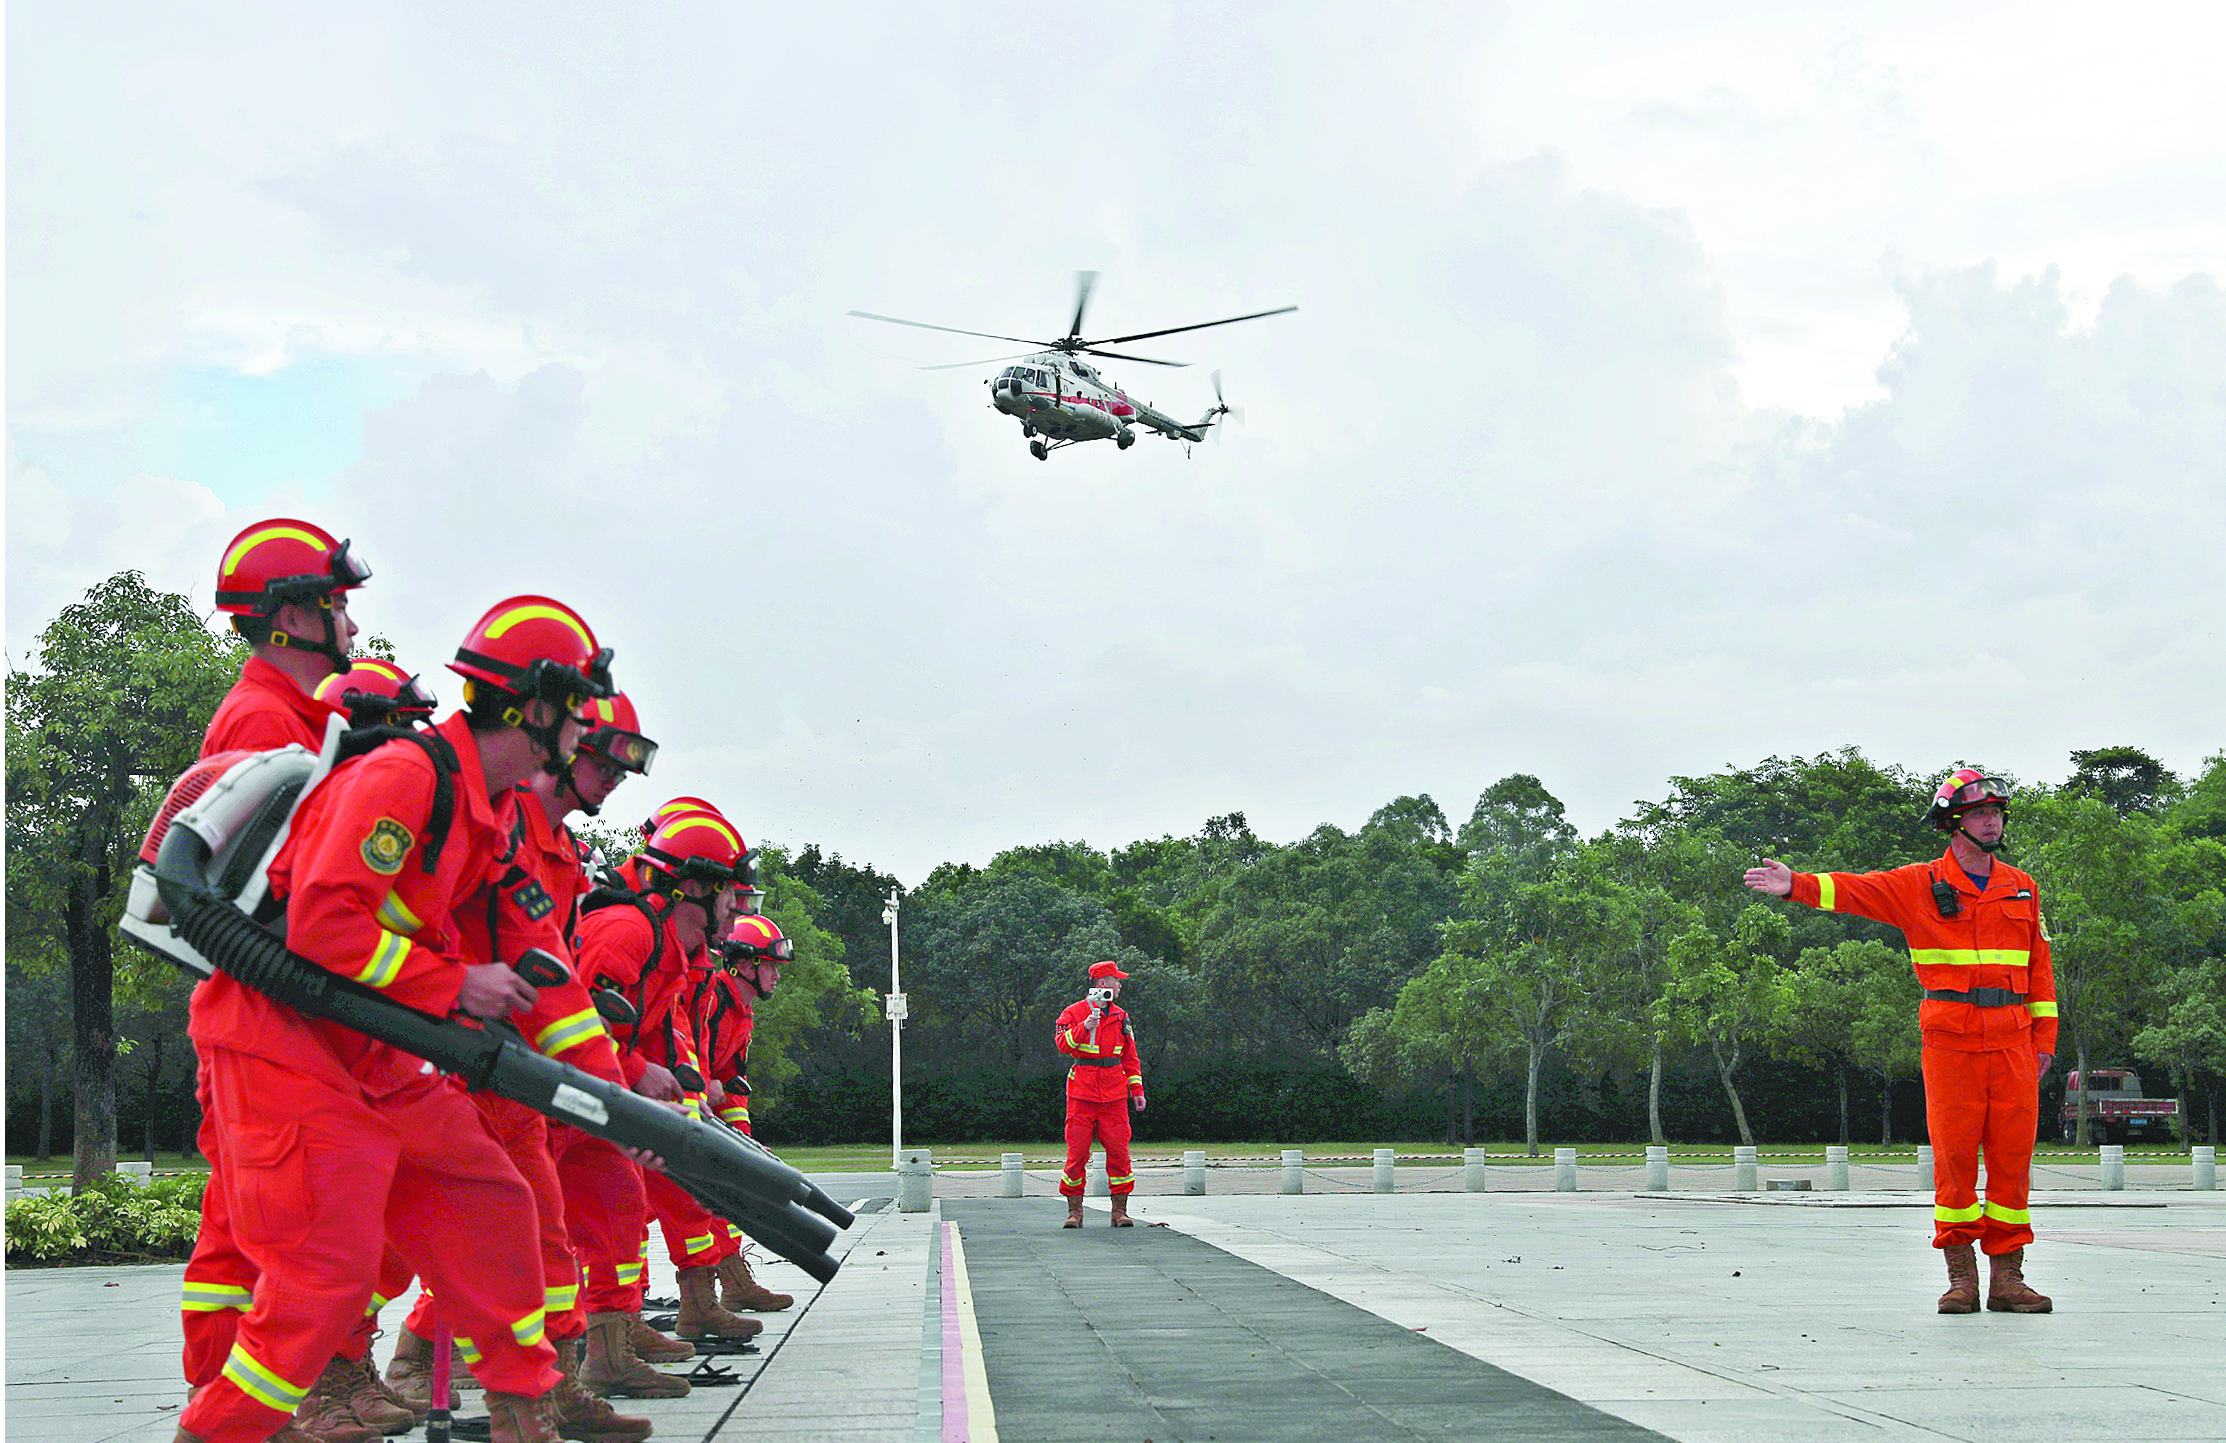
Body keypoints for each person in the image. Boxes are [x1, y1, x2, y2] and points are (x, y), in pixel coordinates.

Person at [175, 594, 616, 1443]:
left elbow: (545, 966)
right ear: (535, 708)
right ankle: (217, 1432)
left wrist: (615, 1103)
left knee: (489, 1194)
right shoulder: (406, 776)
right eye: (577, 713)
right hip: (282, 1039)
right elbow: (321, 926)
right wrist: (456, 984)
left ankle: (526, 1412)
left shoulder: (483, 811)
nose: (584, 735)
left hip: (373, 1045)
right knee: (325, 1274)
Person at [190, 519, 412, 1443]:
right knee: (265, 1228)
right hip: (265, 1014)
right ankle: (258, 1399)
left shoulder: (305, 713)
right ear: (287, 617)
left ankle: (336, 1368)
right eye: (335, 605)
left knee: (320, 1207)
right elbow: (260, 889)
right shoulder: (261, 717)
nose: (352, 626)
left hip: (302, 1013)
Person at [1743, 768, 2058, 1315]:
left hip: (2013, 1041)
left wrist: (2044, 1041)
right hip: (1951, 1038)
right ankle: (1961, 1279)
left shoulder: (2022, 886)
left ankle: (2008, 1280)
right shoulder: (1917, 884)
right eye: (1981, 813)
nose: (1992, 820)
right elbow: (1858, 890)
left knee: (2013, 1161)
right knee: (1955, 1159)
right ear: (1952, 823)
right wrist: (1796, 884)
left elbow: (2040, 968)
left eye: (1997, 812)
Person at [698, 916, 795, 1312]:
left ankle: (731, 1280)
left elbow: (732, 1077)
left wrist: (742, 1137)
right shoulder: (711, 1000)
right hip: (687, 1101)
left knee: (733, 1184)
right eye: (770, 966)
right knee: (660, 1200)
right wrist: (702, 1085)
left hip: (711, 1102)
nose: (776, 975)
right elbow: (685, 1048)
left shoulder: (742, 1011)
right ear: (743, 965)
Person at [1053, 961, 1147, 1228]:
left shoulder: (1121, 1016)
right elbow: (1063, 1045)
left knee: (1119, 1153)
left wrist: (1136, 1090)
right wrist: (1084, 1025)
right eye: (1116, 980)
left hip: (1114, 1095)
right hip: (1082, 1095)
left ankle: (1119, 1212)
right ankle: (1075, 1212)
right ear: (1102, 983)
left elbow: (1130, 1057)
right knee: (1077, 1154)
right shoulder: (1073, 1012)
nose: (1120, 985)